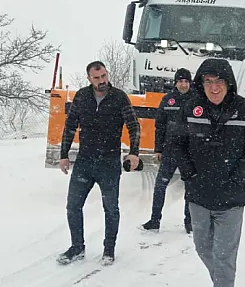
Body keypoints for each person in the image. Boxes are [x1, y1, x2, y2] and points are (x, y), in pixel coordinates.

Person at [174, 58, 245, 287]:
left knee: (225, 257)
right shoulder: (189, 108)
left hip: (231, 197)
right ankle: (221, 286)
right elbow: (177, 143)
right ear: (201, 84)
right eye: (208, 82)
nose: (214, 88)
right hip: (199, 195)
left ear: (228, 84)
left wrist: (241, 172)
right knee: (203, 248)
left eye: (219, 82)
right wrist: (189, 174)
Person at [56, 61, 141, 266]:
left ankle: (109, 250)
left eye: (104, 76)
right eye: (97, 78)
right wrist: (64, 154)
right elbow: (70, 126)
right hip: (85, 161)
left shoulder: (119, 97)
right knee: (73, 206)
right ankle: (77, 247)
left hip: (109, 162)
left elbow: (133, 126)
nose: (102, 81)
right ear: (89, 79)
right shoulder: (82, 97)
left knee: (111, 208)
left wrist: (134, 153)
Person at [141, 68, 195, 233]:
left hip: (190, 152)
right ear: (175, 83)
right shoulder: (168, 100)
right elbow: (160, 126)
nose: (183, 84)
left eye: (186, 81)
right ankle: (154, 220)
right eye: (180, 81)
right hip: (170, 150)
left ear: (190, 83)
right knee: (160, 186)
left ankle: (189, 223)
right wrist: (158, 148)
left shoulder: (197, 100)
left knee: (191, 188)